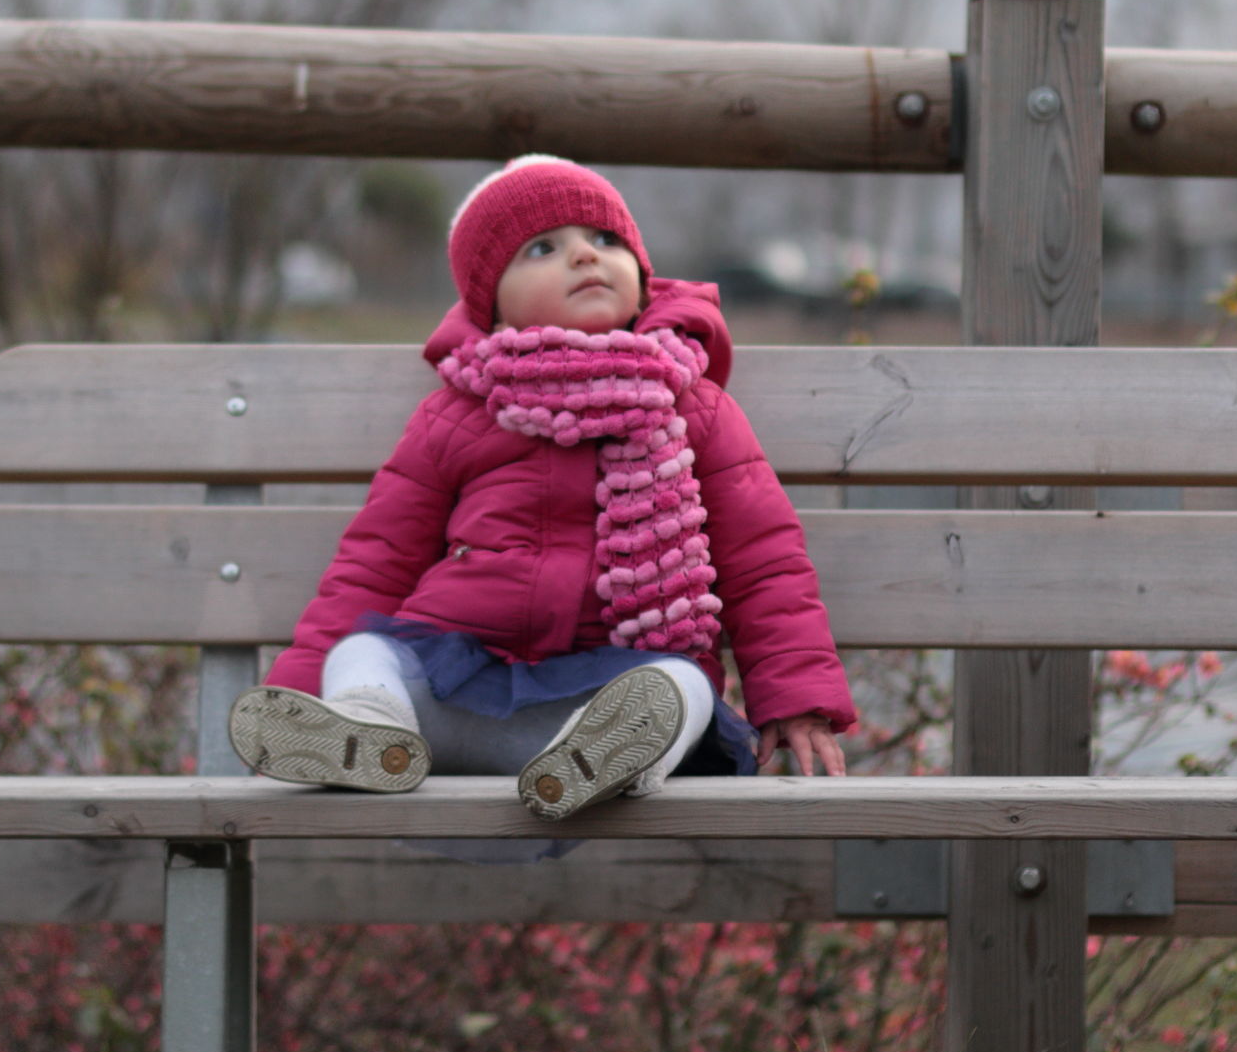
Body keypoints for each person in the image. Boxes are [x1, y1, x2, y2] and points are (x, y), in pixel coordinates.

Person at [228, 155, 855, 821]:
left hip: (608, 683)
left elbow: (763, 560)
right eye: (542, 248)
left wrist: (796, 698)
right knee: (364, 652)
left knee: (682, 683)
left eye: (606, 239)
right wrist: (307, 688)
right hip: (456, 691)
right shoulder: (458, 416)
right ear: (493, 309)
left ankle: (606, 756)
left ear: (643, 283)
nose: (585, 254)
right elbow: (375, 563)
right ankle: (357, 731)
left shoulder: (689, 406)